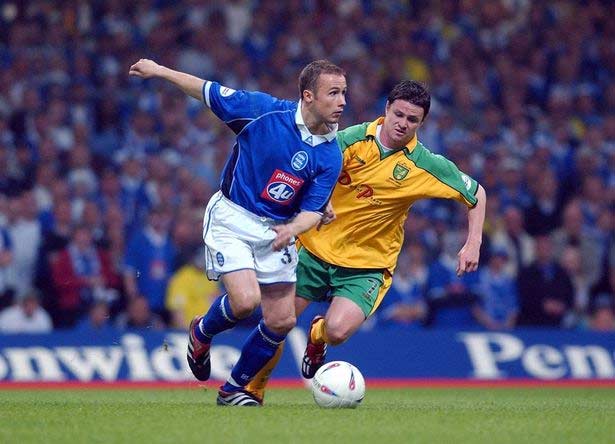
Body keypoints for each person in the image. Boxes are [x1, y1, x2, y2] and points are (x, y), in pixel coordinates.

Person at [245, 80, 486, 401]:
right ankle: (252, 388)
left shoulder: (425, 165)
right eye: (398, 114)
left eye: (412, 120)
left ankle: (319, 336)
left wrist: (473, 243)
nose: (402, 123)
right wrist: (318, 199)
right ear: (386, 110)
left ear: (421, 124)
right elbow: (304, 168)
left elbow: (477, 194)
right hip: (314, 250)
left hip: (367, 264)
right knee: (276, 323)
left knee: (338, 331)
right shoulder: (348, 140)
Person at [129, 58, 346, 406]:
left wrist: (291, 228)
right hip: (233, 217)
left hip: (278, 229)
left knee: (282, 319)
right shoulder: (262, 111)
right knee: (246, 302)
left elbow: (313, 213)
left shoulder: (331, 155)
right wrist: (161, 71)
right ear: (308, 96)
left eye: (344, 93)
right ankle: (201, 331)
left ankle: (233, 390)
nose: (342, 102)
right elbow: (205, 91)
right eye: (333, 93)